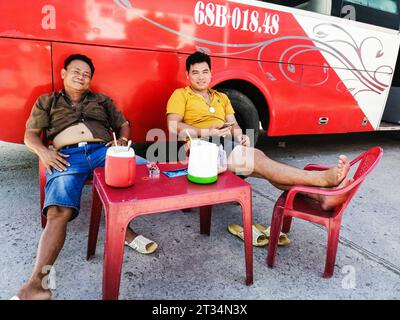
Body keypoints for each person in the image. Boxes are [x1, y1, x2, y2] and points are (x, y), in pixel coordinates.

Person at [166, 51, 352, 246]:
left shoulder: (221, 97)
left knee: (265, 166)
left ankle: (320, 197)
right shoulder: (181, 95)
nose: (201, 76)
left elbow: (234, 125)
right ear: (188, 75)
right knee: (261, 162)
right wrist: (206, 131)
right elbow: (172, 126)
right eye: (195, 73)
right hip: (204, 148)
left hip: (226, 144)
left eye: (205, 71)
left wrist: (241, 136)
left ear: (211, 73)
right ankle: (323, 180)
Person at [13, 54, 157, 300]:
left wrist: (122, 142)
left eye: (86, 74)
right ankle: (36, 285)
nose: (81, 76)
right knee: (59, 212)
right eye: (76, 71)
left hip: (104, 152)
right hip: (67, 157)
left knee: (152, 173)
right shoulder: (46, 101)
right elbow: (30, 135)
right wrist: (44, 152)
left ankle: (125, 230)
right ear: (63, 73)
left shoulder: (101, 100)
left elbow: (123, 123)